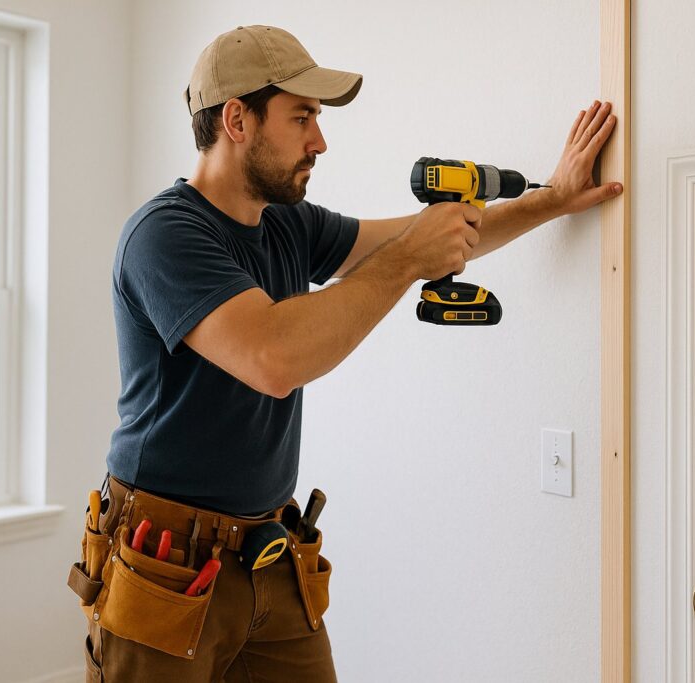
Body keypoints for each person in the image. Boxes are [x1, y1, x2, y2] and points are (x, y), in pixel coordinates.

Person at [72, 24, 623, 682]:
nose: (320, 140)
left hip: (268, 554)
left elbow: (430, 237)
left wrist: (553, 199)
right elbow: (273, 357)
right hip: (165, 564)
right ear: (237, 120)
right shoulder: (164, 234)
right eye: (302, 117)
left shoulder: (285, 224)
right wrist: (409, 259)